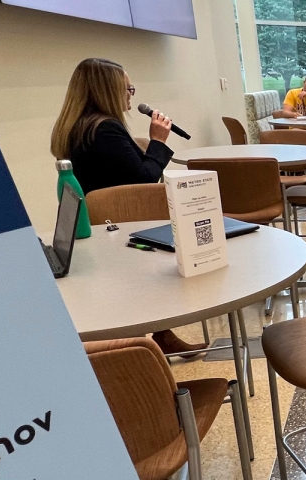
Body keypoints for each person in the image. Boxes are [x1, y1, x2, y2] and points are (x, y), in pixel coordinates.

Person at [48, 57, 204, 356]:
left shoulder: (79, 126)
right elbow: (142, 179)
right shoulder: (104, 129)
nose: (131, 94)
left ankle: (160, 339)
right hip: (120, 224)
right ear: (106, 90)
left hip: (100, 222)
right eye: (127, 88)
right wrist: (158, 141)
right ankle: (145, 350)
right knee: (141, 286)